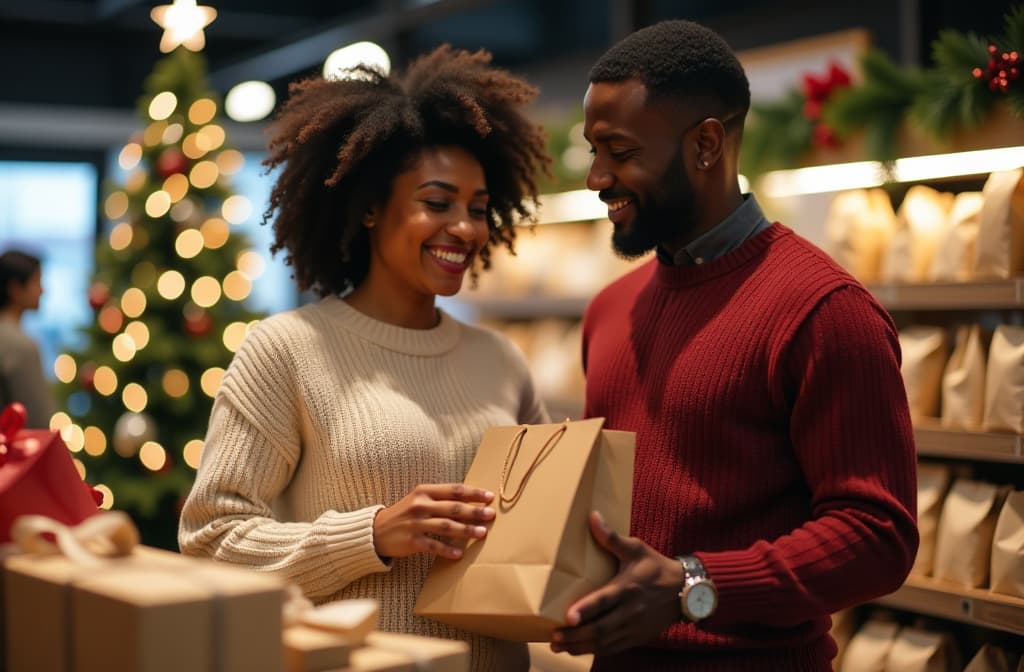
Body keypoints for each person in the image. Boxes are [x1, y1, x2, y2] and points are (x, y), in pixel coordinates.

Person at [550, 20, 919, 671]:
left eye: (620, 150)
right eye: (592, 150)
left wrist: (695, 583)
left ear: (706, 144)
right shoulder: (610, 311)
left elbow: (877, 537)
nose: (597, 177)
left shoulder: (823, 311)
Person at [178, 45, 550, 671]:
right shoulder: (287, 351)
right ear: (371, 208)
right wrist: (370, 535)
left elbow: (542, 526)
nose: (464, 227)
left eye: (479, 208)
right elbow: (210, 540)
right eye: (437, 202)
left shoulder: (502, 361)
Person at [0, 249, 56, 428]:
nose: (42, 290)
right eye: (36, 281)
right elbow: (39, 422)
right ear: (15, 289)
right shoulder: (20, 347)